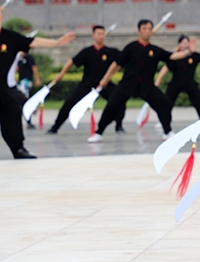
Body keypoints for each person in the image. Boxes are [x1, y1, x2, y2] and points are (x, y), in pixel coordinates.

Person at [91, 19, 193, 143]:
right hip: (128, 84)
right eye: (144, 29)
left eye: (150, 29)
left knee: (165, 104)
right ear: (139, 31)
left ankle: (167, 132)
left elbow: (171, 56)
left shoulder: (154, 50)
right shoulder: (131, 48)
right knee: (112, 105)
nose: (147, 31)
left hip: (147, 86)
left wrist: (188, 52)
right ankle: (99, 133)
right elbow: (116, 64)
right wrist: (105, 79)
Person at [0, 8, 75, 158]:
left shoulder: (10, 37)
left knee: (13, 111)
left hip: (3, 89)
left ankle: (18, 149)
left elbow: (33, 41)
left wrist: (57, 43)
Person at [47, 25, 125, 134]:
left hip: (105, 84)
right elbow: (72, 61)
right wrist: (61, 74)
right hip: (87, 84)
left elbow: (123, 60)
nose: (101, 36)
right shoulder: (87, 52)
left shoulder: (111, 52)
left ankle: (119, 126)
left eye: (103, 34)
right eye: (98, 34)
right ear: (93, 36)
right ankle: (55, 127)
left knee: (119, 100)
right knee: (69, 103)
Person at [154, 35, 200, 119]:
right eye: (183, 43)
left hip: (189, 83)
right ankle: (163, 121)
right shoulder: (175, 56)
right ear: (179, 44)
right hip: (176, 83)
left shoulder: (193, 55)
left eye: (187, 43)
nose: (185, 45)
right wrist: (158, 81)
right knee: (167, 102)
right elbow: (165, 68)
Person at [16, 52, 40, 129]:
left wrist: (37, 79)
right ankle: (30, 116)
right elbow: (16, 69)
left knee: (22, 100)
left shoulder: (29, 58)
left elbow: (34, 68)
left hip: (26, 81)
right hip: (20, 81)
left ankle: (32, 108)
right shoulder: (19, 58)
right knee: (23, 102)